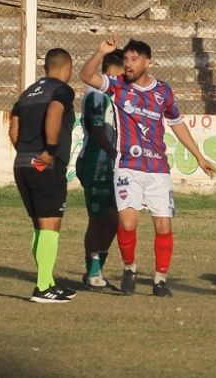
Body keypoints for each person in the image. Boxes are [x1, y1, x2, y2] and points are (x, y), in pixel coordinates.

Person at [79, 37, 216, 298]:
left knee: (163, 226)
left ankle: (160, 280)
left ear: (147, 62)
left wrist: (199, 156)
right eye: (126, 60)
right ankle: (130, 268)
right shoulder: (118, 87)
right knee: (127, 223)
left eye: (133, 60)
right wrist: (100, 52)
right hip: (128, 167)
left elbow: (176, 123)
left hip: (157, 169)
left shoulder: (163, 91)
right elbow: (86, 75)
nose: (128, 65)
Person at [9, 48, 77, 303]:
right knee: (51, 226)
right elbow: (54, 113)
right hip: (45, 165)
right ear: (66, 67)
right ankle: (42, 288)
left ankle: (48, 281)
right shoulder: (61, 90)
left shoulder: (27, 93)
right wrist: (49, 150)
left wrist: (25, 153)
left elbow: (13, 129)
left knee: (40, 226)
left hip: (22, 164)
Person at [76, 50, 123, 291]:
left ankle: (96, 271)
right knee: (99, 219)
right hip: (95, 161)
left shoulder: (115, 95)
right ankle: (93, 273)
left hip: (112, 165)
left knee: (115, 219)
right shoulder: (96, 94)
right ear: (115, 71)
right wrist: (115, 153)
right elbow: (96, 130)